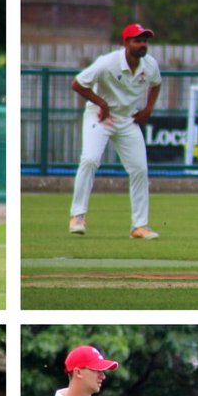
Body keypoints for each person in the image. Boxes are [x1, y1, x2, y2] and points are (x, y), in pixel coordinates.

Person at [69, 24, 162, 239]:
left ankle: (139, 226)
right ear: (125, 43)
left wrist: (148, 109)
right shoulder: (107, 63)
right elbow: (77, 84)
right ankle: (77, 216)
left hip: (127, 118)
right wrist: (102, 103)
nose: (142, 45)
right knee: (90, 160)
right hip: (100, 116)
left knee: (139, 168)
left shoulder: (150, 65)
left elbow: (156, 84)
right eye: (137, 40)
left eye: (145, 41)